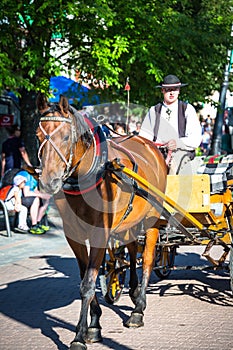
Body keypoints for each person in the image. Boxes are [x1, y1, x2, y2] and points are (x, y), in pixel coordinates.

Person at [139, 74, 202, 174]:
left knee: (174, 166)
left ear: (179, 91)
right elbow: (144, 136)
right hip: (157, 152)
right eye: (168, 90)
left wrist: (177, 142)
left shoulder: (187, 109)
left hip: (181, 152)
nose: (172, 93)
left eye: (175, 89)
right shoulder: (153, 110)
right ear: (162, 90)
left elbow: (195, 139)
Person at [17, 169, 51, 234]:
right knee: (36, 199)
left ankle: (38, 223)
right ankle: (34, 225)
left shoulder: (35, 179)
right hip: (19, 198)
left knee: (45, 200)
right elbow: (26, 193)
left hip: (28, 198)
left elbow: (35, 191)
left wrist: (44, 195)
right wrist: (40, 195)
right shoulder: (27, 175)